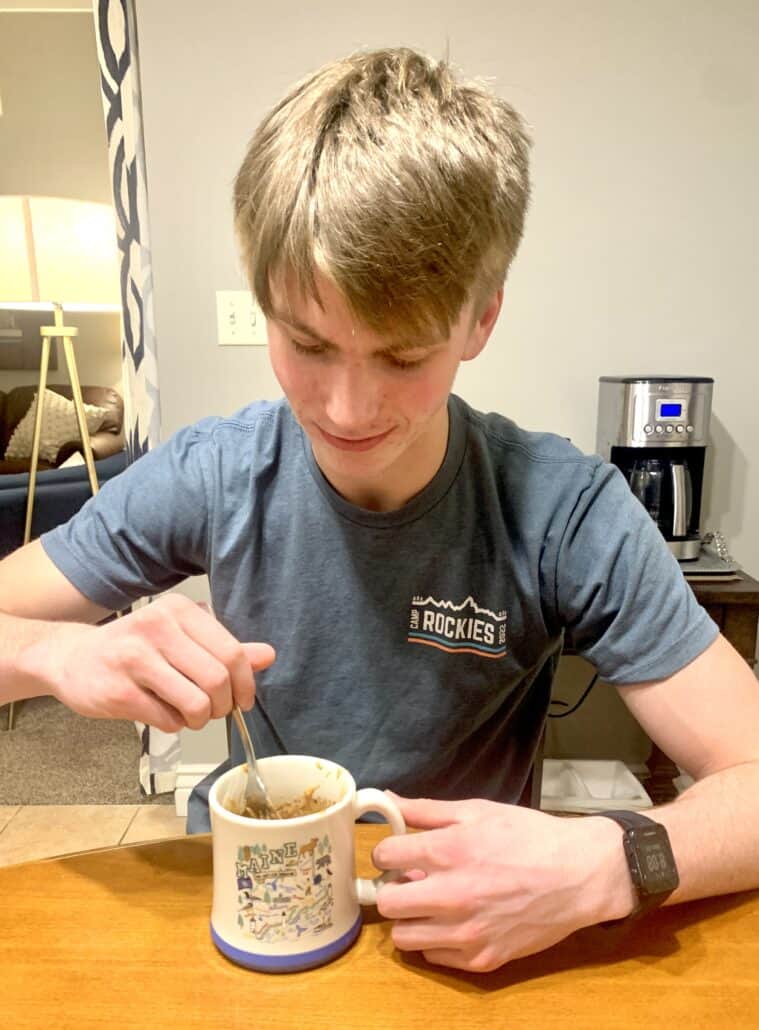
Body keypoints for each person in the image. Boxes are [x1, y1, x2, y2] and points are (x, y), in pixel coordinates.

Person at [1, 47, 758, 975]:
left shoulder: (566, 511)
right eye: (307, 343)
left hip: (472, 941)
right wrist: (56, 653)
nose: (347, 412)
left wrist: (614, 857)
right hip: (246, 915)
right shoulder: (215, 471)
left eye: (401, 357)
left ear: (481, 320)